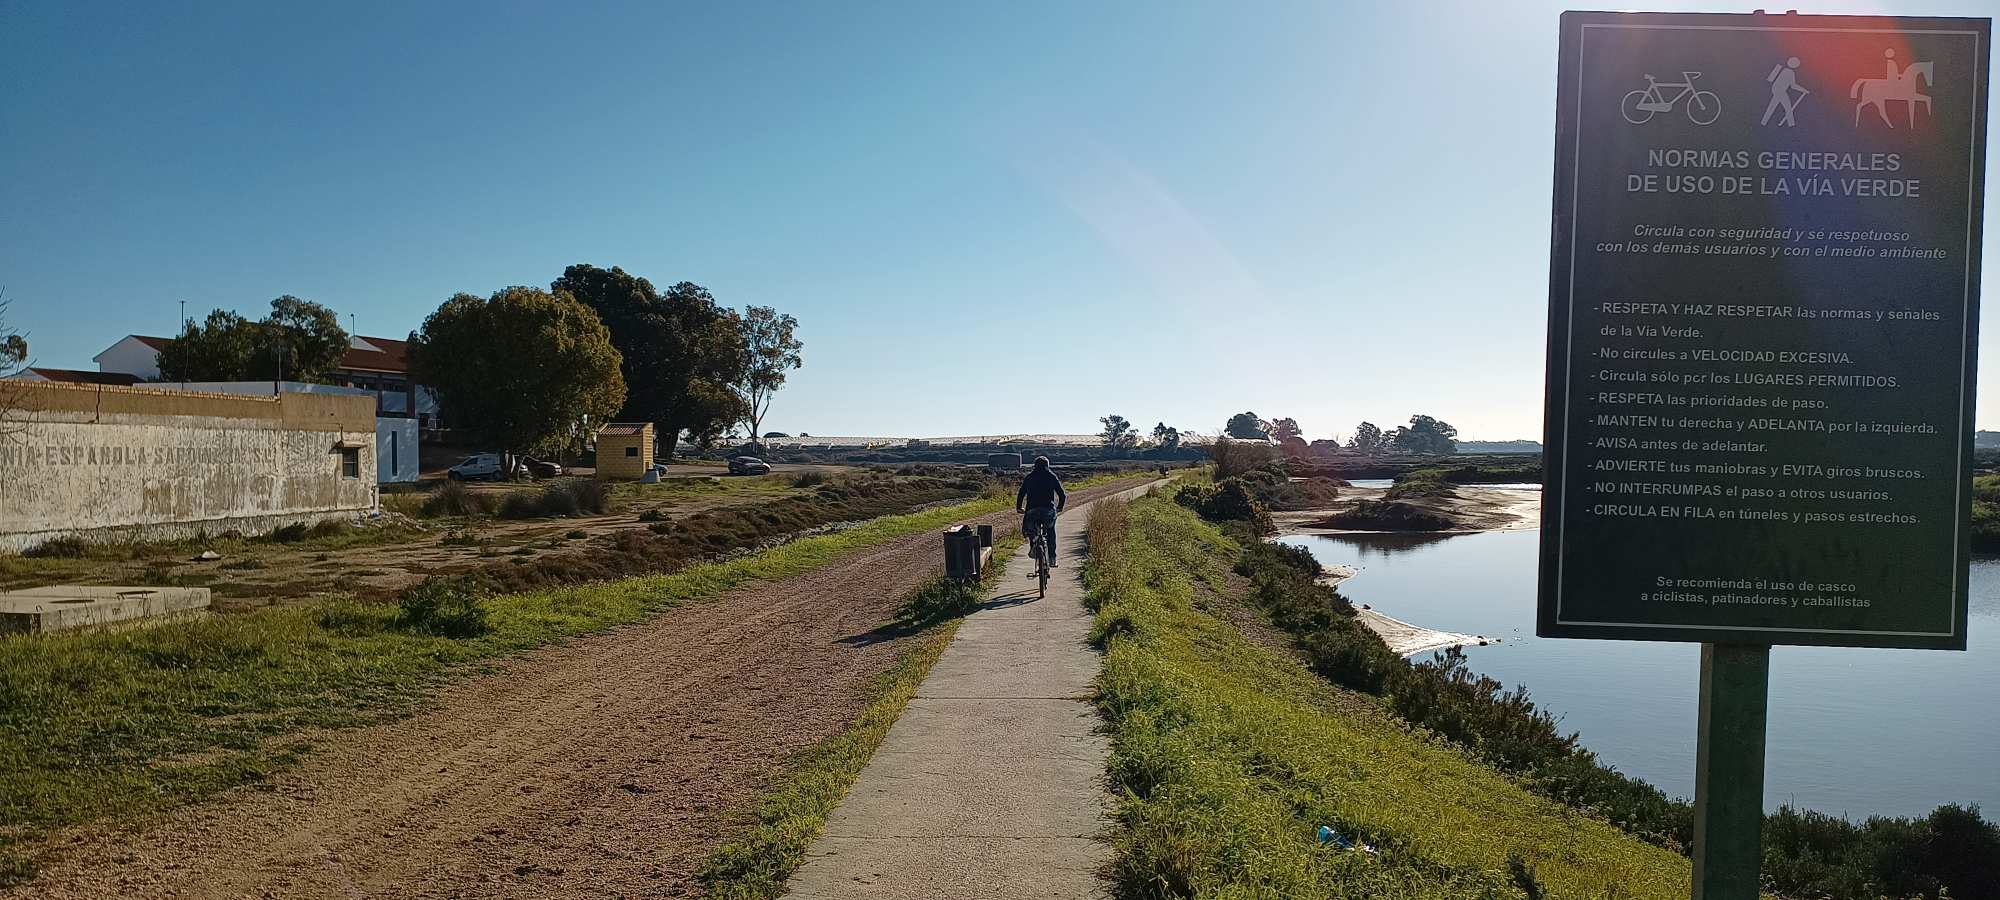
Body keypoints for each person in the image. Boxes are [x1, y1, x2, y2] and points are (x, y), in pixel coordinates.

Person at [1016, 456, 1067, 567]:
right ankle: (1052, 558)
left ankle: (1034, 542)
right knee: (1050, 530)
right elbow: (1062, 494)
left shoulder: (1029, 477)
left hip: (1032, 510)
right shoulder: (1051, 476)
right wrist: (1060, 507)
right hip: (1048, 510)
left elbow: (1021, 493)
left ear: (1035, 466)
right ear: (1047, 466)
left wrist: (1019, 507)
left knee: (1030, 528)